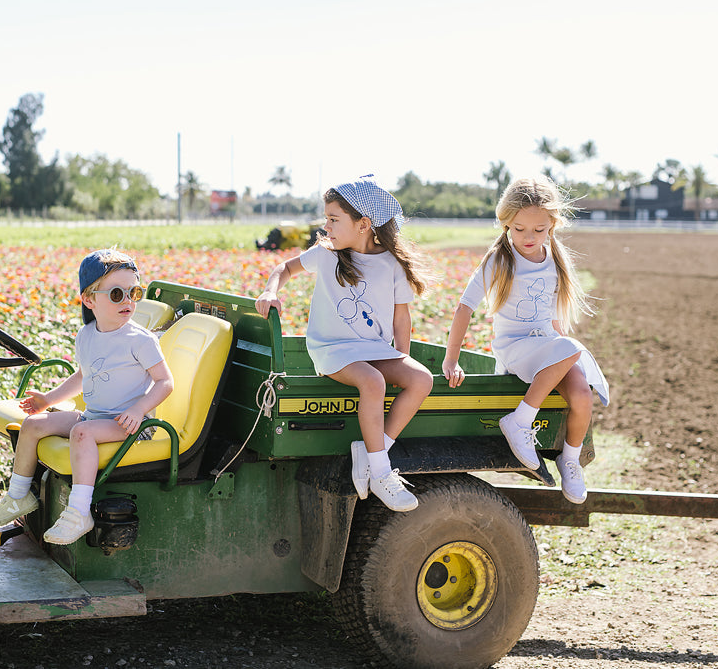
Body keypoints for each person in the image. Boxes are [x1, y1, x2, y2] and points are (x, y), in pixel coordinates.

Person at [255, 174, 434, 512]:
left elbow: (401, 318)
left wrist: (402, 359)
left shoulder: (391, 264)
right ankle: (381, 471)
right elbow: (284, 268)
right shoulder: (326, 255)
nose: (327, 227)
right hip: (332, 347)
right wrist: (270, 290)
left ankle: (372, 450)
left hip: (375, 349)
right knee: (372, 381)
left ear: (364, 224)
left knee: (421, 379)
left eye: (334, 220)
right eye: (327, 219)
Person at [0, 248, 174, 544]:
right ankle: (18, 497)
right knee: (33, 425)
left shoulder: (140, 340)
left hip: (133, 427)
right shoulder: (87, 335)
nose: (127, 301)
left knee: (82, 432)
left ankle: (79, 512)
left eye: (133, 293)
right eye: (116, 294)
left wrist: (139, 409)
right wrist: (47, 400)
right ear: (89, 299)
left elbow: (165, 382)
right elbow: (83, 376)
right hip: (96, 417)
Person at [442, 175, 609, 504]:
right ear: (505, 223)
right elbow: (464, 309)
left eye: (538, 229)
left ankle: (570, 460)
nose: (528, 237)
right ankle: (519, 421)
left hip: (546, 344)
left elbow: (554, 317)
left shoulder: (555, 260)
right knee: (571, 350)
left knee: (581, 394)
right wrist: (451, 359)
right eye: (519, 229)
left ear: (552, 225)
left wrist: (562, 354)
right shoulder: (499, 261)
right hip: (515, 347)